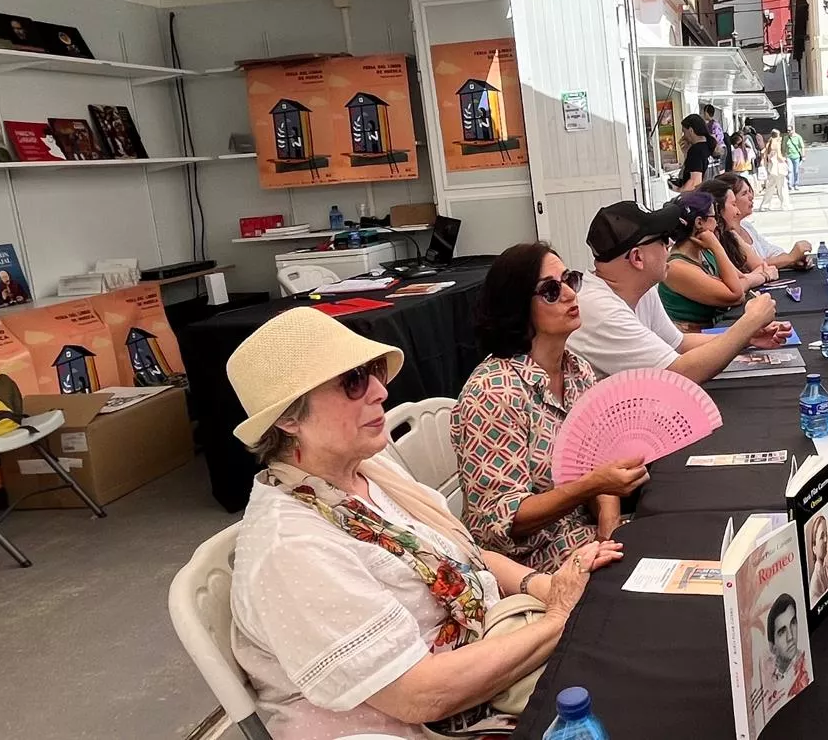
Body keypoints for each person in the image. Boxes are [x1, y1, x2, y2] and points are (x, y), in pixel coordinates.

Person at [225, 308, 623, 739]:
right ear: (288, 418)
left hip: (489, 656)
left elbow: (469, 557)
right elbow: (418, 696)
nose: (379, 390)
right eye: (353, 381)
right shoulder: (291, 549)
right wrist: (559, 616)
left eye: (374, 372)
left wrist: (547, 587)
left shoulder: (366, 472)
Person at [454, 243, 649, 573]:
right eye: (551, 290)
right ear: (516, 306)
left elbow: (602, 463)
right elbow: (502, 521)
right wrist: (591, 487)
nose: (571, 295)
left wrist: (608, 525)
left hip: (584, 537)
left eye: (569, 280)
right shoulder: (492, 392)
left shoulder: (578, 371)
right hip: (530, 563)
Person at [568, 200, 791, 381]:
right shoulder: (600, 310)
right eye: (664, 239)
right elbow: (679, 372)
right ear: (637, 257)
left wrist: (747, 337)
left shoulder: (639, 288)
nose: (670, 245)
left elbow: (679, 344)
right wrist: (748, 323)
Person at [659, 190, 772, 331]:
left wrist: (759, 277)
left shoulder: (703, 251)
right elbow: (735, 293)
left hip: (713, 331)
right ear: (699, 222)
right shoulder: (677, 267)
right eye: (714, 217)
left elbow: (740, 278)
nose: (718, 223)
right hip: (693, 340)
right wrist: (716, 247)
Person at [712, 172, 811, 270]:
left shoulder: (746, 226)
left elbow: (770, 251)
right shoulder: (721, 236)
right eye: (744, 193)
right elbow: (753, 266)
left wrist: (791, 260)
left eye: (749, 192)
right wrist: (790, 258)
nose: (751, 197)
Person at [673, 114, 714, 192]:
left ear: (691, 130)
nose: (684, 136)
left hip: (699, 198)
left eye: (684, 132)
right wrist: (686, 153)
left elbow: (695, 182)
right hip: (711, 194)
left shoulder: (696, 150)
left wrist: (677, 189)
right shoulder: (711, 146)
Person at [758, 130, 793, 211]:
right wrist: (785, 160)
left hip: (771, 167)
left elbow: (765, 154)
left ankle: (765, 205)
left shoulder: (769, 143)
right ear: (777, 135)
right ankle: (785, 205)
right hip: (778, 167)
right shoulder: (776, 143)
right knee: (782, 187)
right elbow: (779, 156)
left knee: (770, 188)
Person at [806, 512, 828, 603]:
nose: (826, 540)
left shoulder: (826, 570)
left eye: (826, 535)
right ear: (814, 548)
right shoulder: (816, 581)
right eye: (822, 537)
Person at [702, 104, 732, 174]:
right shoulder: (715, 124)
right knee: (720, 169)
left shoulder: (712, 125)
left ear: (706, 112)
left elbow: (713, 138)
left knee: (718, 169)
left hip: (718, 149)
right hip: (721, 148)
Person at [782, 122, 806, 189]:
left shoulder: (798, 137)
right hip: (789, 156)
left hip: (796, 156)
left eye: (789, 130)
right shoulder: (786, 138)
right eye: (787, 130)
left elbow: (802, 146)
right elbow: (784, 147)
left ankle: (796, 184)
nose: (788, 131)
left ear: (793, 130)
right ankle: (790, 184)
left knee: (796, 171)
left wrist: (803, 155)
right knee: (790, 170)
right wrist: (783, 156)